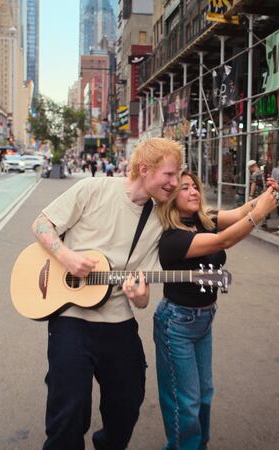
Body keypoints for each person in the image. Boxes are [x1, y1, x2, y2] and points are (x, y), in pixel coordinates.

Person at [31, 137, 183, 450]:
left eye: (178, 175)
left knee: (127, 403)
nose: (175, 182)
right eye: (169, 174)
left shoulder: (159, 219)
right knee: (69, 410)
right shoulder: (94, 189)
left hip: (118, 322)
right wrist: (67, 257)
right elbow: (42, 224)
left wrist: (138, 296)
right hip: (71, 318)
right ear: (144, 169)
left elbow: (142, 296)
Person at [154, 171, 277, 449]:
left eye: (195, 186)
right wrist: (260, 214)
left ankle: (199, 444)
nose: (194, 191)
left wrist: (265, 197)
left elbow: (240, 212)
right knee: (185, 400)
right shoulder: (172, 238)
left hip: (204, 319)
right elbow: (224, 241)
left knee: (204, 394)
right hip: (177, 323)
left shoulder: (203, 219)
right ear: (171, 198)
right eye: (184, 188)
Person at [247, 159, 267, 228]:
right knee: (262, 206)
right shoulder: (262, 172)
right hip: (264, 191)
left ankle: (253, 220)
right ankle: (264, 221)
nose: (249, 170)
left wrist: (251, 195)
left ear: (252, 166)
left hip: (257, 192)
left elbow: (253, 184)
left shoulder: (254, 174)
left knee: (253, 206)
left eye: (249, 168)